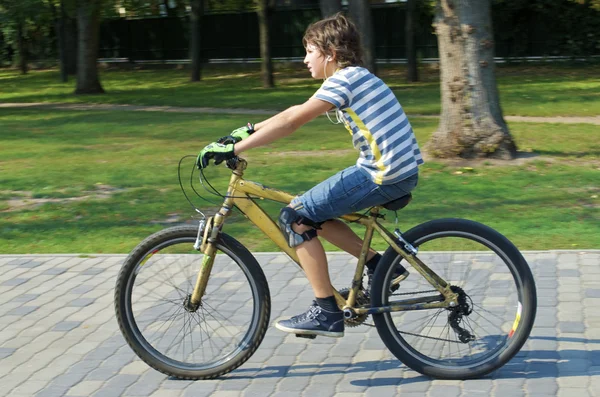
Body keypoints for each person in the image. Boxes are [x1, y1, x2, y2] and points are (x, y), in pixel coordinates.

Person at [197, 13, 423, 338]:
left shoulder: (344, 80)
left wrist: (234, 150)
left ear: (330, 53)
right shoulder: (355, 77)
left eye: (309, 51)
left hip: (383, 173)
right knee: (312, 213)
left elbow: (292, 123)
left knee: (294, 217)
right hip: (397, 170)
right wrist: (245, 131)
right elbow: (292, 112)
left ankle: (325, 311)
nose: (305, 60)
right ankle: (381, 265)